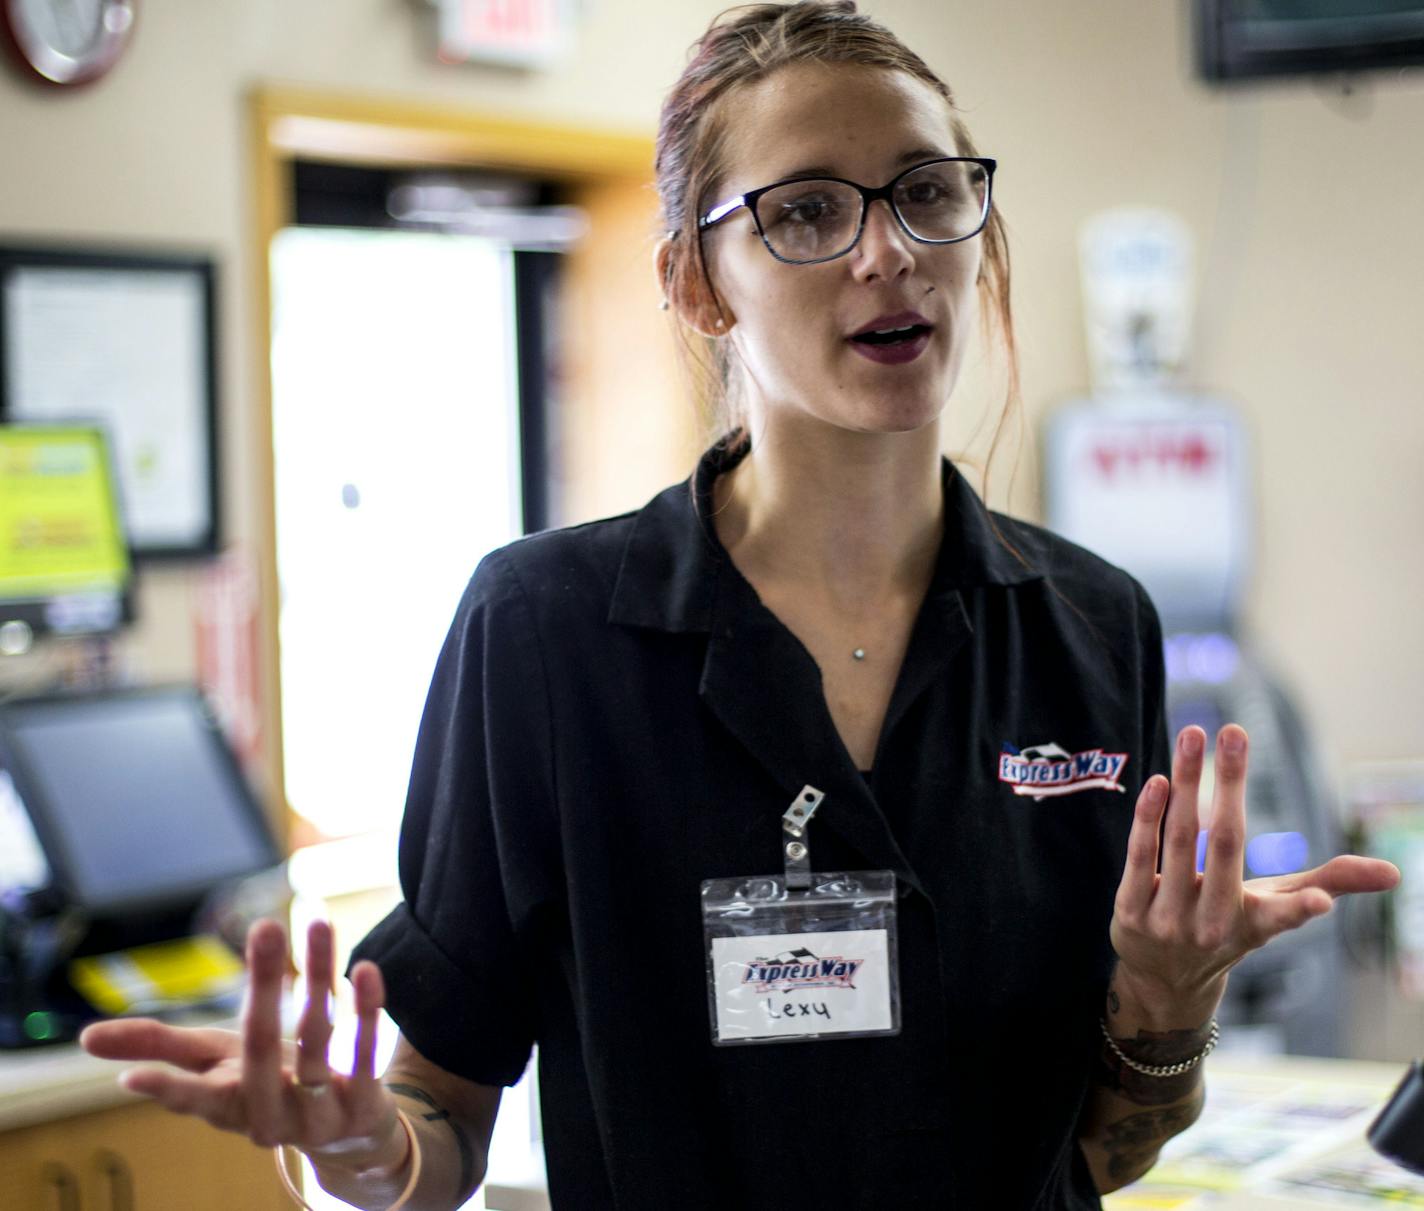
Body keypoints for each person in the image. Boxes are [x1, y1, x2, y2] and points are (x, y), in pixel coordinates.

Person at [79, 3, 1400, 1208]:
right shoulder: (546, 633)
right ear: (694, 282)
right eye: (809, 212)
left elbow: (1097, 1154)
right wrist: (363, 1148)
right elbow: (437, 1111)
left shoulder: (1088, 622)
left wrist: (1168, 1003)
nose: (889, 252)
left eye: (928, 193)